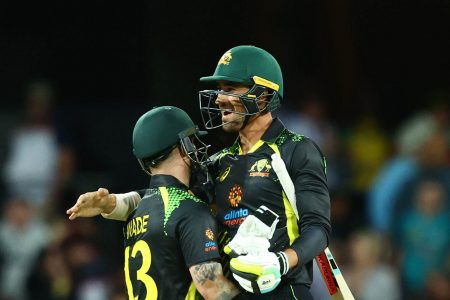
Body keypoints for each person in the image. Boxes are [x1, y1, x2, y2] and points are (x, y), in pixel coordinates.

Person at [69, 45, 332, 299]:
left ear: (262, 95)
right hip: (235, 294)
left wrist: (280, 262)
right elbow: (167, 197)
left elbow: (318, 229)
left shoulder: (296, 149)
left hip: (283, 291)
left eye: (230, 88)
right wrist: (113, 204)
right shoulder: (219, 162)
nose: (218, 99)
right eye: (219, 90)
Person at [67, 106, 243, 299]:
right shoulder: (190, 210)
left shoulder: (137, 209)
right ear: (183, 146)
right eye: (192, 141)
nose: (196, 147)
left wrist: (107, 203)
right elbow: (211, 288)